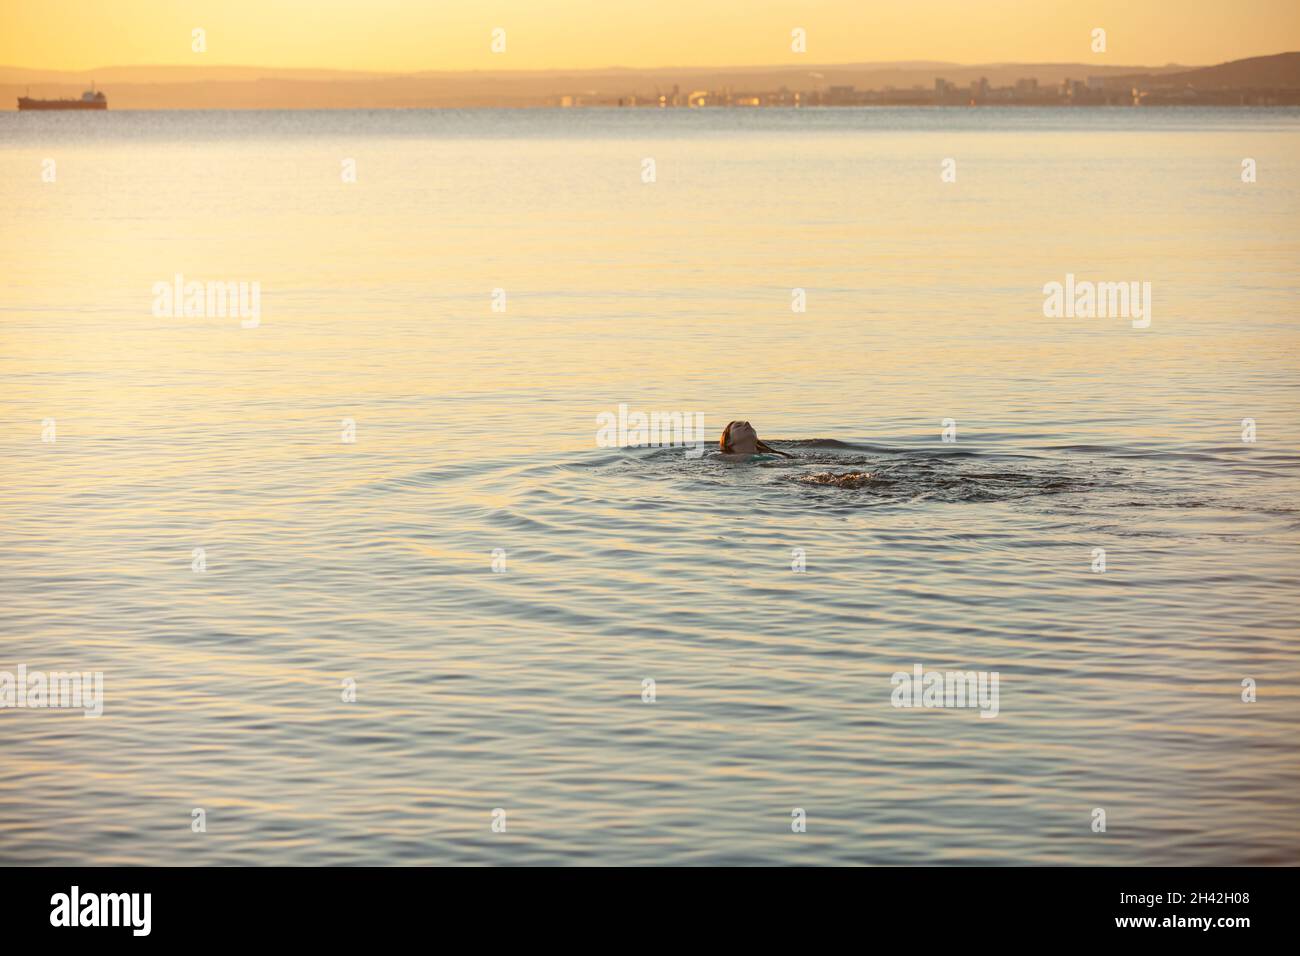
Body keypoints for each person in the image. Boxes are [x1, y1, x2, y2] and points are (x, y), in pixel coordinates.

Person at [718, 420, 794, 459]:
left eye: (750, 425)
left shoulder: (780, 456)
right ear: (728, 441)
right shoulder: (718, 457)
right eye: (738, 426)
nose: (747, 423)